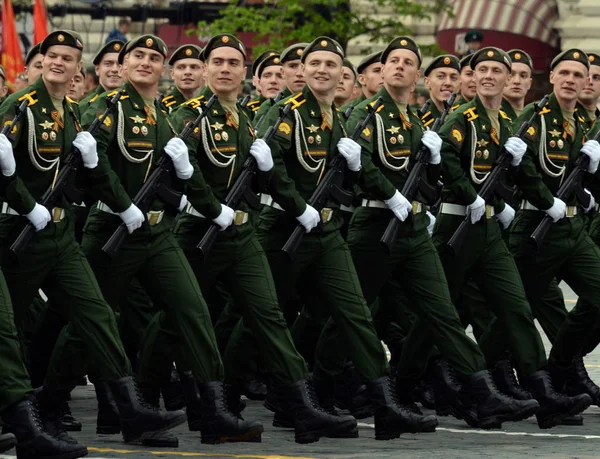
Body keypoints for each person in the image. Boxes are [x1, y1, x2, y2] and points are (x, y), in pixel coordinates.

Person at [0, 29, 185, 447]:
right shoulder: (20, 106)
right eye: (53, 56)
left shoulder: (72, 111)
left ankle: (129, 407)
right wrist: (28, 205)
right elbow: (3, 168)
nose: (59, 63)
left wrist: (123, 206)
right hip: (19, 231)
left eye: (68, 58)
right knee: (8, 328)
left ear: (76, 68)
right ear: (42, 61)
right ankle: (19, 413)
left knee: (97, 313)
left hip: (61, 234)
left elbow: (94, 170)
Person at [257, 35, 439, 440]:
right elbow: (268, 168)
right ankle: (225, 400)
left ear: (343, 74)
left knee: (355, 312)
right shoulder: (288, 113)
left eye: (331, 64)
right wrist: (296, 204)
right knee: (256, 316)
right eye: (314, 62)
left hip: (329, 229)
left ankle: (384, 406)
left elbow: (350, 178)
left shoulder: (338, 119)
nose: (322, 70)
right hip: (283, 227)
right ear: (302, 70)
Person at [433, 46, 592, 429]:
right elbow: (451, 165)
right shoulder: (489, 119)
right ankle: (422, 383)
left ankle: (543, 386)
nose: (489, 76)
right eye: (481, 69)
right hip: (467, 226)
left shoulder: (513, 122)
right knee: (439, 315)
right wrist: (526, 199)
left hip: (504, 226)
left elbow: (526, 173)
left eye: (497, 70)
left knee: (516, 308)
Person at [506, 49, 600, 413]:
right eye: (566, 73)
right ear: (553, 76)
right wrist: (546, 201)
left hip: (573, 227)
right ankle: (472, 378)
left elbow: (578, 176)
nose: (573, 80)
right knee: (515, 309)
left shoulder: (579, 121)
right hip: (536, 225)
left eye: (580, 74)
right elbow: (522, 165)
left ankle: (560, 368)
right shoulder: (536, 114)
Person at [79, 40, 125, 113]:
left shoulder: (135, 105)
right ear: (97, 69)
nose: (115, 69)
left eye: (120, 64)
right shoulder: (84, 107)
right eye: (108, 63)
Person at [160, 44, 204, 113]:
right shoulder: (162, 107)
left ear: (205, 72)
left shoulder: (212, 105)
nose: (187, 72)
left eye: (194, 67)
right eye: (181, 67)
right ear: (172, 74)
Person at [421, 54, 460, 127]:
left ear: (459, 84)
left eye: (453, 78)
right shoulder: (418, 121)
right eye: (441, 76)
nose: (448, 83)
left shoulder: (464, 120)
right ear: (427, 82)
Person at [502, 49, 534, 120]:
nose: (517, 81)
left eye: (523, 76)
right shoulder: (491, 115)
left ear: (530, 83)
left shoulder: (535, 118)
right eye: (511, 75)